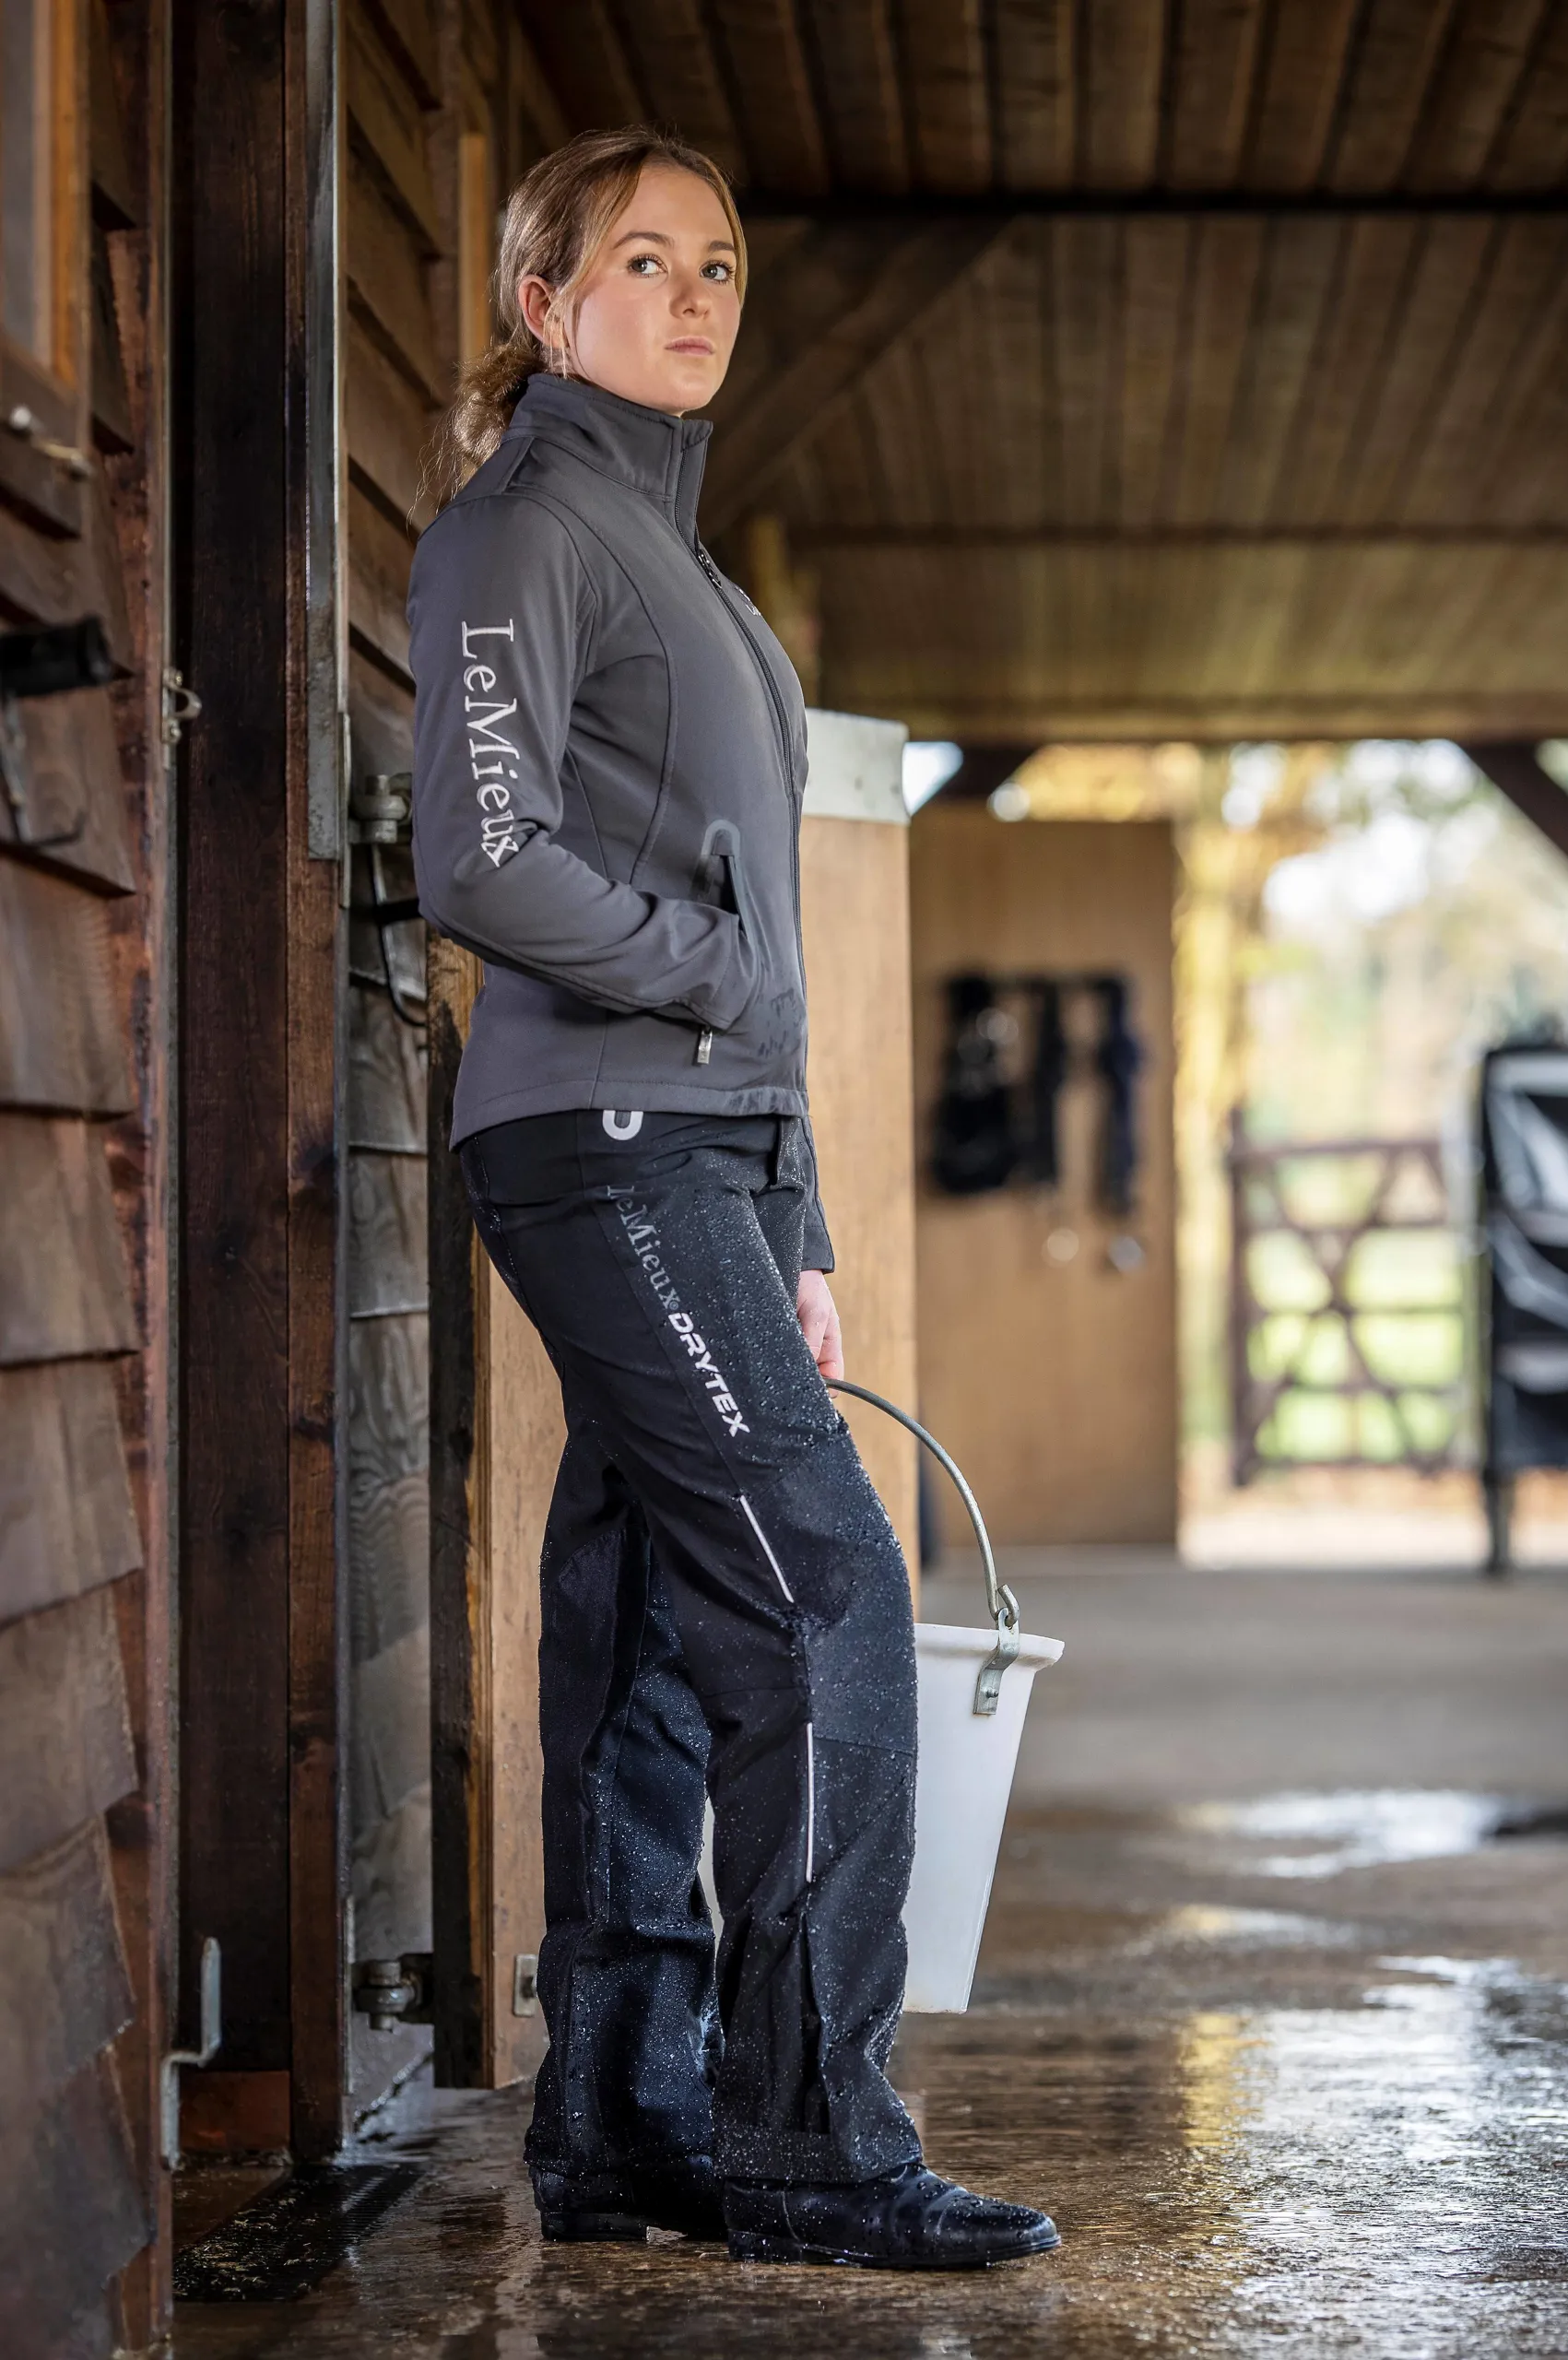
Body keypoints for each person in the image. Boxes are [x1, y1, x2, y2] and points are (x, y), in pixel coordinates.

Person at [407, 125, 1058, 2272]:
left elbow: (751, 941)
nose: (693, 297)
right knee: (826, 1596)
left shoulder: (679, 564)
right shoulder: (520, 527)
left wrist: (799, 1224)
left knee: (653, 1624)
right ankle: (813, 2140)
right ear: (545, 303)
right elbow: (484, 857)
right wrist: (707, 976)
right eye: (644, 261)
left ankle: (619, 2118)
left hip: (695, 1152)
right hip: (598, 1133)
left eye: (719, 267)